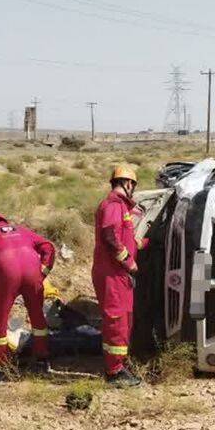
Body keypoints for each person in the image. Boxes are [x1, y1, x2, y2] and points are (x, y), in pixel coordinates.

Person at [0, 213, 54, 372]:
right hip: (32, 272)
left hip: (6, 274)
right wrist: (43, 272)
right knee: (37, 316)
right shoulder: (23, 230)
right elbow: (48, 247)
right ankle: (42, 359)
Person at [92, 165, 143, 387]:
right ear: (128, 183)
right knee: (117, 320)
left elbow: (125, 237)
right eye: (132, 185)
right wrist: (129, 262)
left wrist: (142, 245)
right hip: (113, 273)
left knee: (123, 320)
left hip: (118, 273)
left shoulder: (122, 207)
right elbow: (110, 236)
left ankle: (117, 363)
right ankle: (114, 372)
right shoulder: (113, 205)